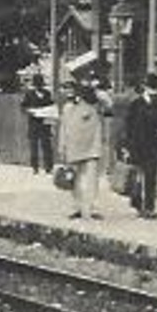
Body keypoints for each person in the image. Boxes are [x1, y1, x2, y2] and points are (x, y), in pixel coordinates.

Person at [58, 75, 105, 220]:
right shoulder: (71, 108)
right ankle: (82, 207)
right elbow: (64, 128)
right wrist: (62, 146)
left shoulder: (93, 107)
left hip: (86, 147)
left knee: (84, 179)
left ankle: (85, 208)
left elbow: (108, 102)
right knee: (80, 180)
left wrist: (94, 88)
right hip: (81, 147)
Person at [122, 73, 157, 219]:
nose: (152, 92)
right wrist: (128, 145)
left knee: (150, 176)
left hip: (152, 144)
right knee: (139, 175)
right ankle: (139, 204)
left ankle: (148, 207)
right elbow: (128, 126)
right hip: (137, 144)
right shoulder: (136, 104)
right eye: (150, 89)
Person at [20, 72, 56, 174]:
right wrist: (30, 111)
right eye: (37, 83)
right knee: (34, 146)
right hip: (34, 123)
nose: (39, 85)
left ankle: (48, 167)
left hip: (45, 122)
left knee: (47, 145)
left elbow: (51, 107)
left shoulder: (47, 93)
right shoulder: (29, 94)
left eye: (40, 83)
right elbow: (23, 107)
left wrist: (49, 115)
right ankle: (35, 167)